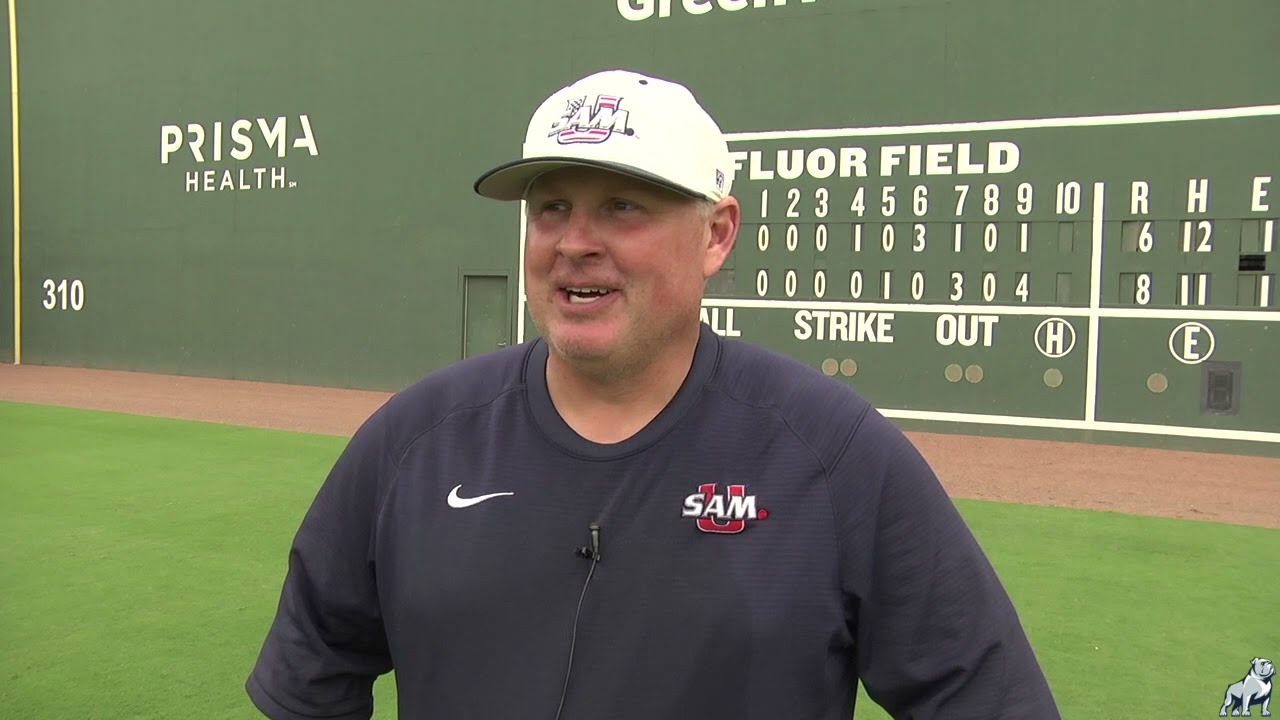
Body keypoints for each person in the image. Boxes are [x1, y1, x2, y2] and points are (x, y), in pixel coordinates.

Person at [245, 68, 1061, 719]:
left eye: (621, 207)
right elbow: (312, 668)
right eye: (552, 207)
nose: (574, 243)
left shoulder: (830, 454)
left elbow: (986, 696)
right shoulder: (416, 442)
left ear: (716, 233)